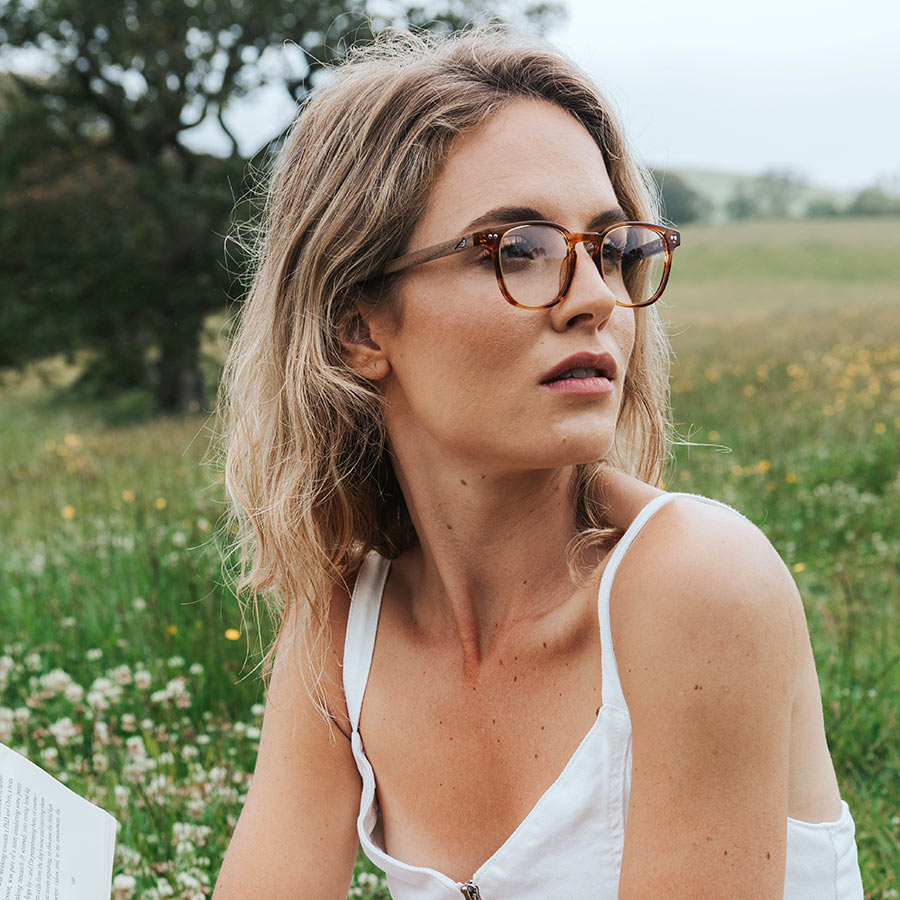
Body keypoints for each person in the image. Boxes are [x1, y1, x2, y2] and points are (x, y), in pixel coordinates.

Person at [210, 25, 864, 900]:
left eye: (609, 247)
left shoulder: (697, 582)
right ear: (358, 327)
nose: (595, 298)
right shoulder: (340, 631)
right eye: (518, 249)